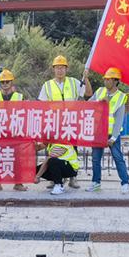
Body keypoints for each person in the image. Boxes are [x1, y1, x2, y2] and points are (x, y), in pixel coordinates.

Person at [38, 55, 92, 190]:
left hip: (71, 124)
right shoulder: (47, 85)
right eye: (57, 68)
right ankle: (54, 178)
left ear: (66, 69)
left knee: (73, 149)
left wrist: (86, 78)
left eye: (62, 67)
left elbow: (88, 94)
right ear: (53, 69)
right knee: (51, 150)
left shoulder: (74, 83)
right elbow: (41, 105)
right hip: (53, 124)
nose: (60, 70)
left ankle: (73, 177)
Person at [87, 67, 129, 194]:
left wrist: (114, 137)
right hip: (98, 132)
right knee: (95, 159)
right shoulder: (100, 91)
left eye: (109, 79)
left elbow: (119, 119)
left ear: (116, 81)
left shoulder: (120, 97)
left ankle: (125, 182)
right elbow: (88, 105)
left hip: (111, 134)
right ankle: (96, 183)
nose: (106, 82)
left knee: (118, 158)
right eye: (105, 79)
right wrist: (99, 102)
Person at [0, 69, 26, 192]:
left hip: (15, 132)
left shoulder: (20, 97)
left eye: (7, 82)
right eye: (2, 82)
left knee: (17, 158)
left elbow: (25, 114)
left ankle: (18, 183)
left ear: (12, 82)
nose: (5, 84)